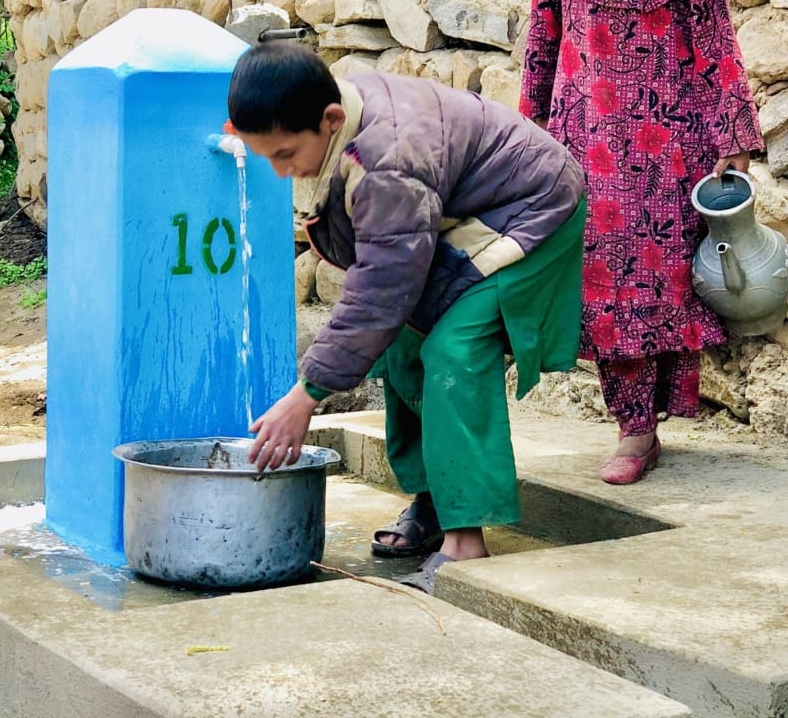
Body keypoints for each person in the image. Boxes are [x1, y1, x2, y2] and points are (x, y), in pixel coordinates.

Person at [230, 43, 585, 594]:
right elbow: (385, 293)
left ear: (331, 119)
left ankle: (465, 541)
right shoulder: (343, 120)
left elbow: (380, 292)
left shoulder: (388, 162)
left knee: (453, 351)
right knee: (400, 344)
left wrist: (307, 395)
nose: (281, 172)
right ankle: (433, 500)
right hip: (464, 214)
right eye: (267, 158)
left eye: (285, 154)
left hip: (533, 207)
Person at [519, 0, 764, 485]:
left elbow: (715, 39)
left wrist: (733, 137)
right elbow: (542, 39)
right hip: (586, 144)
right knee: (605, 283)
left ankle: (653, 419)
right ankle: (633, 428)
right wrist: (527, 134)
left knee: (664, 282)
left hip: (671, 147)